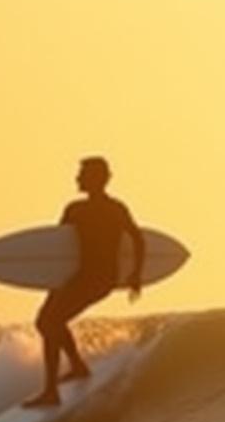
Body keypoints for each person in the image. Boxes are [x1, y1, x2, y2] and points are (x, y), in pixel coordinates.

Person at [23, 156, 144, 408]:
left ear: (97, 178)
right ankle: (77, 367)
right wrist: (54, 282)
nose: (77, 178)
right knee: (44, 321)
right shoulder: (75, 209)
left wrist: (135, 276)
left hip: (99, 279)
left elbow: (137, 238)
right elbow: (60, 249)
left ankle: (51, 392)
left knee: (52, 322)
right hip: (77, 276)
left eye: (82, 174)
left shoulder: (113, 209)